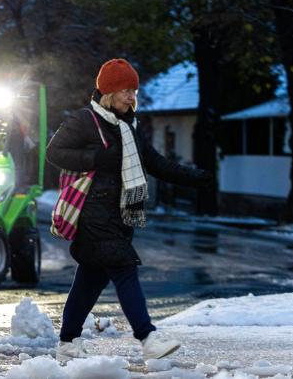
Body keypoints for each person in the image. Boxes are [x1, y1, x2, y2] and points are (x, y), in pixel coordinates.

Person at [46, 58, 212, 360]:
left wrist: (195, 177)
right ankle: (148, 338)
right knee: (124, 270)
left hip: (119, 214)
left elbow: (155, 162)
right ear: (108, 92)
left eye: (134, 91)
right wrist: (97, 158)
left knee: (90, 279)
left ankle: (68, 343)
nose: (131, 97)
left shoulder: (130, 126)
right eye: (125, 91)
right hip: (93, 214)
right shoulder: (85, 120)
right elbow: (54, 153)